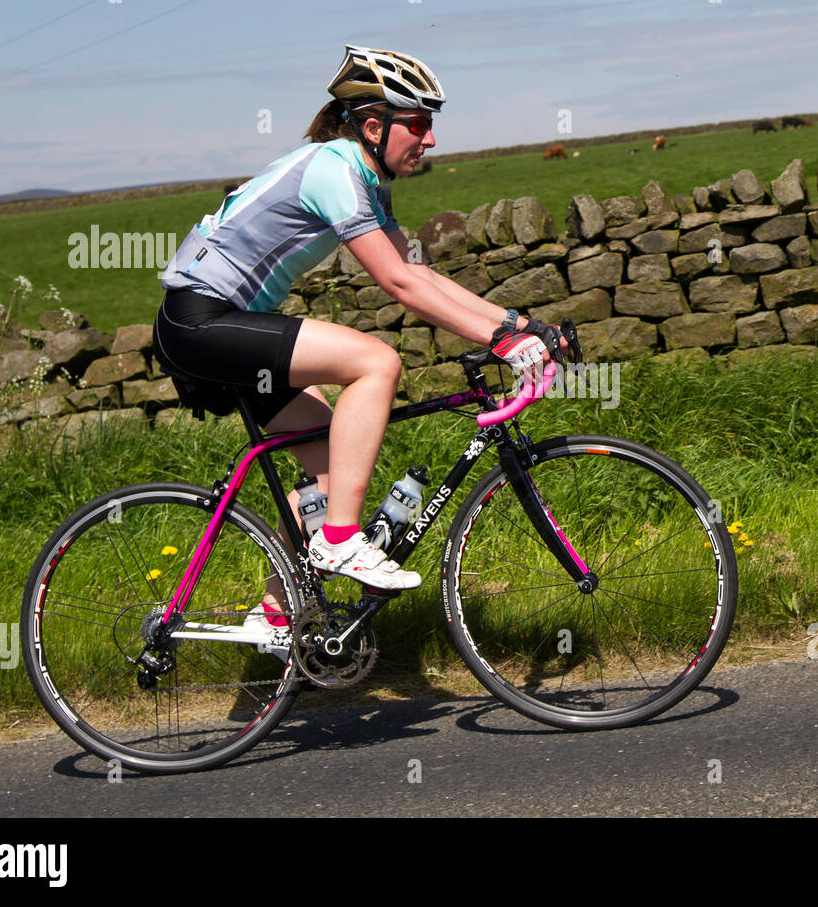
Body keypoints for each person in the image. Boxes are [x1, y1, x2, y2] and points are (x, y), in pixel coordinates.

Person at [150, 45, 563, 647]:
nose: (429, 140)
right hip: (200, 320)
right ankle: (341, 543)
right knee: (376, 361)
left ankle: (275, 614)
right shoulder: (334, 170)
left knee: (326, 468)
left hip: (222, 321)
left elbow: (416, 271)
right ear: (374, 125)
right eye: (418, 124)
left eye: (430, 125)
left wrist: (514, 321)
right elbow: (396, 285)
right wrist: (499, 339)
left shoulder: (363, 175)